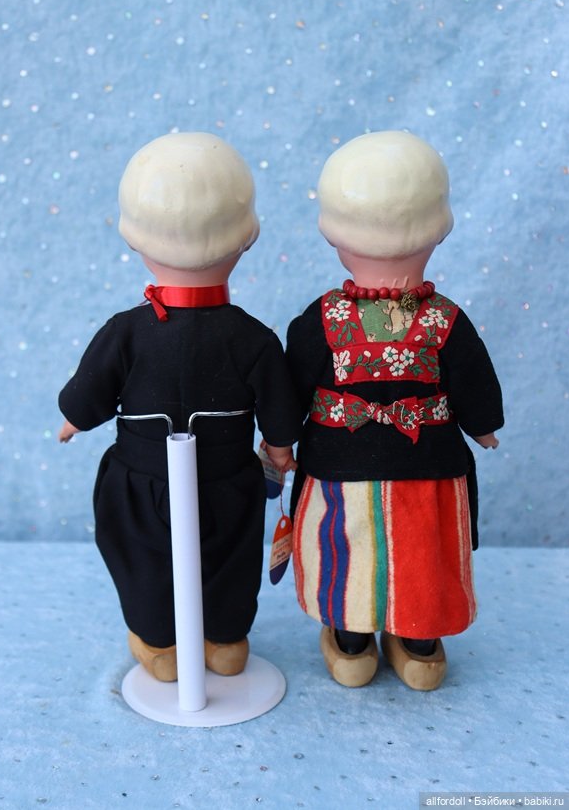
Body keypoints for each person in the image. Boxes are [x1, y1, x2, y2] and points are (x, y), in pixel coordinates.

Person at [59, 132, 300, 682]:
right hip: (227, 479)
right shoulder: (254, 338)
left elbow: (89, 392)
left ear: (138, 243)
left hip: (142, 481)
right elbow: (278, 408)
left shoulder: (126, 331)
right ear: (245, 240)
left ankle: (158, 641)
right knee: (230, 558)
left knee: (143, 559)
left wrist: (75, 418)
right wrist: (280, 447)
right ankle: (225, 638)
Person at [286, 131, 503, 690]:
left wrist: (279, 438)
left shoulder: (321, 319)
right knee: (418, 553)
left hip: (341, 464)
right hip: (425, 464)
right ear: (438, 231)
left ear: (334, 237)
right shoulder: (443, 318)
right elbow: (473, 379)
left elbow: (291, 387)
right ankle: (416, 639)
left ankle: (355, 638)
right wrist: (481, 426)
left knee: (351, 551)